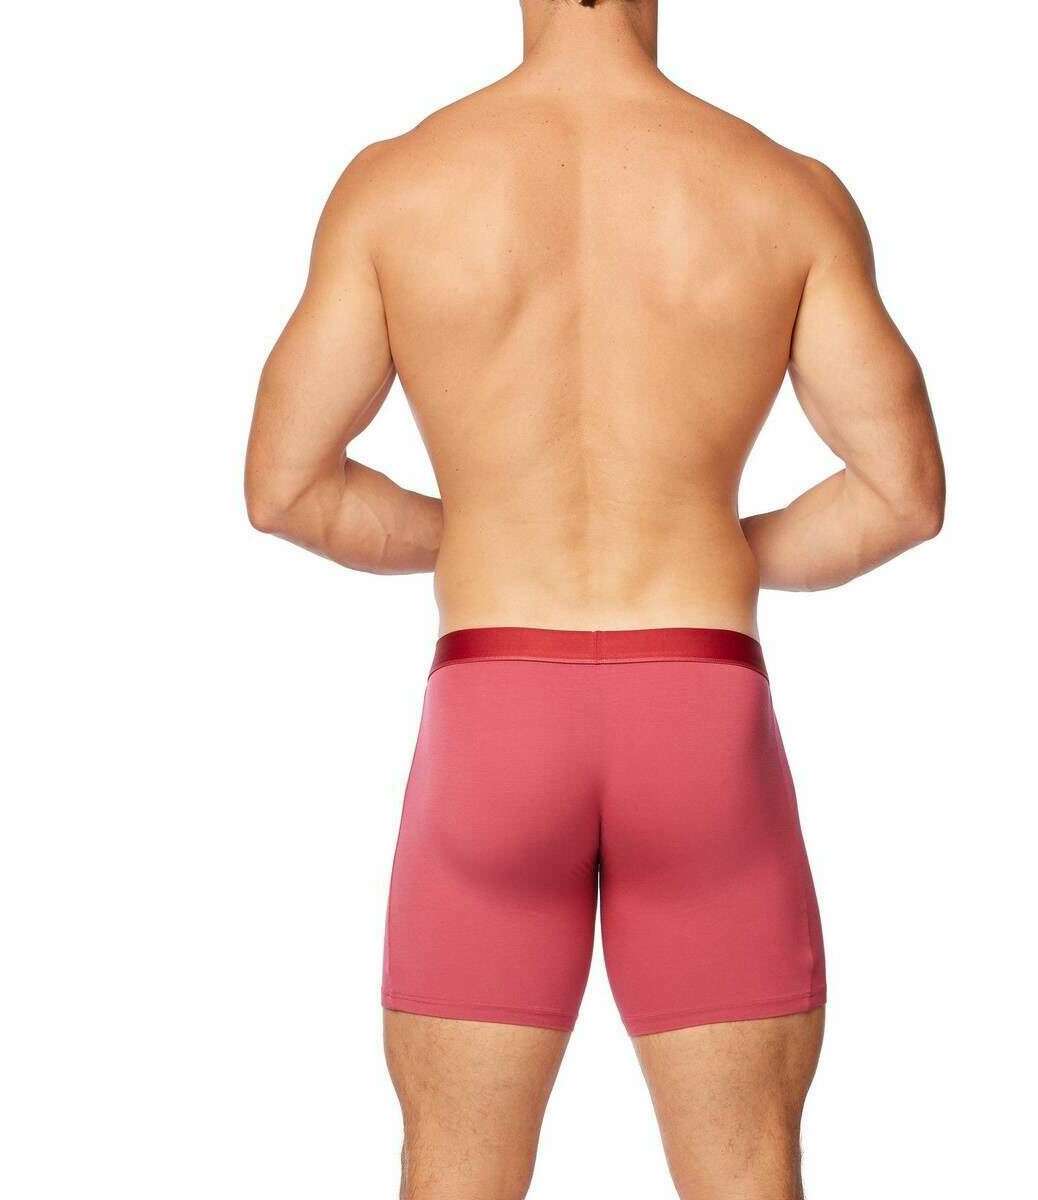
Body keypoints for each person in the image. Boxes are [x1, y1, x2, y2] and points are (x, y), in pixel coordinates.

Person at [245, 2, 944, 1196]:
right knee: (745, 1168)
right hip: (700, 709)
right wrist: (715, 546)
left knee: (457, 1171)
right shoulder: (783, 191)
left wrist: (480, 529)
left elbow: (285, 486)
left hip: (495, 709)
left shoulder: (398, 186)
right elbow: (902, 493)